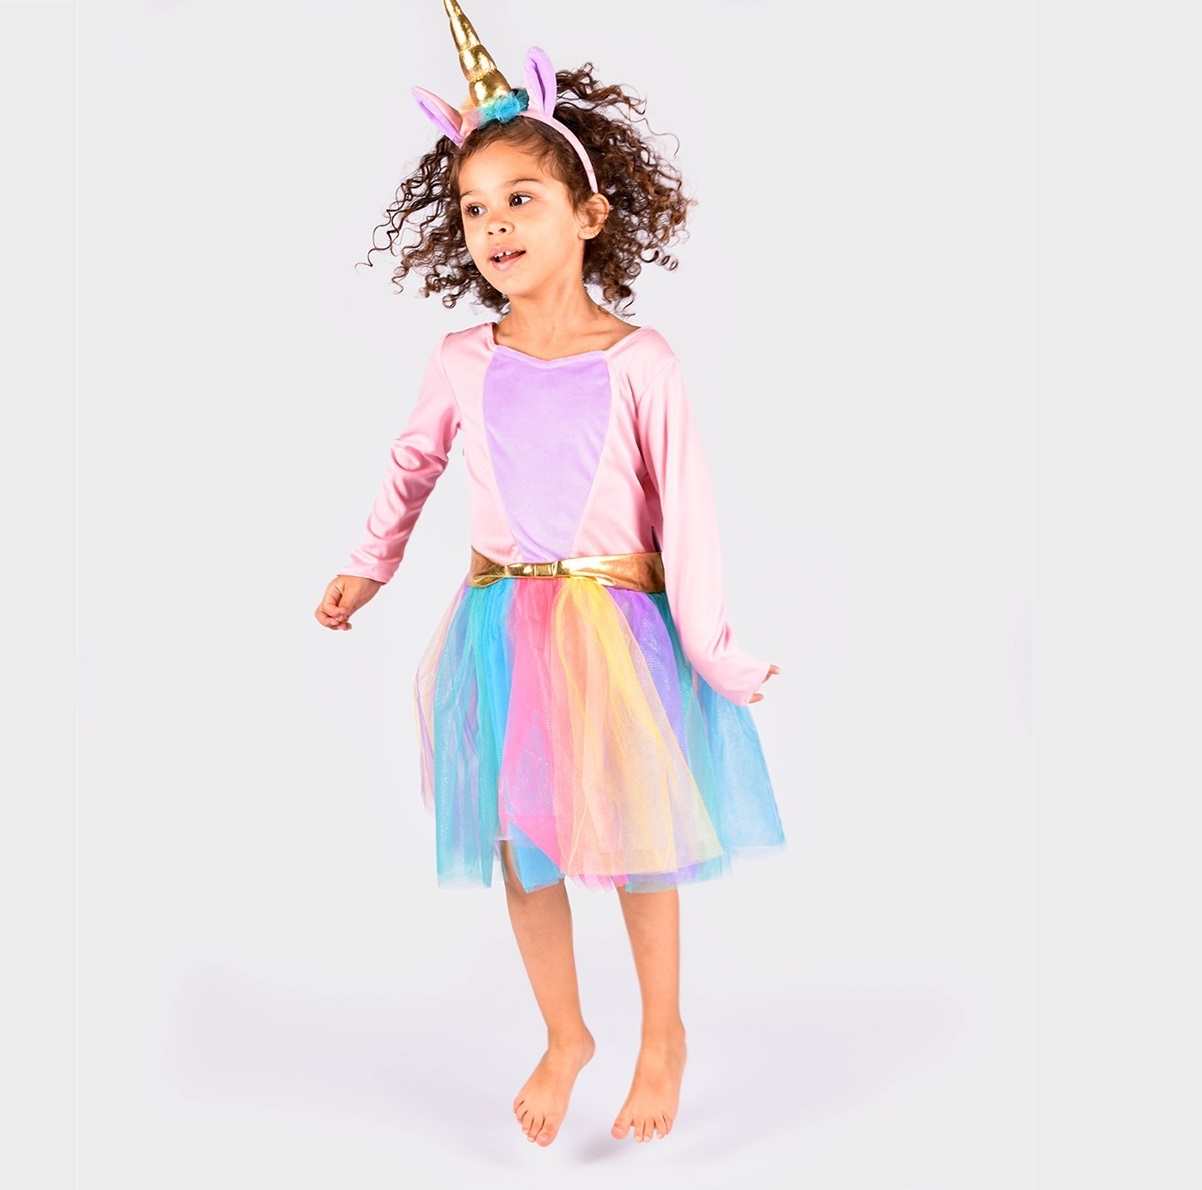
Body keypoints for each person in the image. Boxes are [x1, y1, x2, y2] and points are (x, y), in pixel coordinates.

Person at [314, 0, 785, 1150]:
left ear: (588, 211)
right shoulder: (460, 360)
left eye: (519, 199)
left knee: (634, 834)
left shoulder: (640, 362)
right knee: (521, 838)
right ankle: (564, 1030)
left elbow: (687, 514)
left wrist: (713, 646)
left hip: (616, 626)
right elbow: (412, 466)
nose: (493, 225)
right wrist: (368, 565)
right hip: (499, 621)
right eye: (474, 208)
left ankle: (662, 1030)